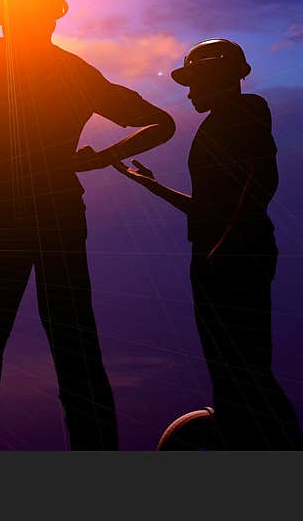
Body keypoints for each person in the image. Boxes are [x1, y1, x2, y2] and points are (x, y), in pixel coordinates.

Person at [0, 0, 175, 450]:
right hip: (60, 213)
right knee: (74, 343)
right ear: (53, 14)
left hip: (5, 217)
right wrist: (100, 158)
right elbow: (161, 122)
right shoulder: (76, 72)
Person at [114, 38, 302, 449]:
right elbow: (208, 210)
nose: (189, 90)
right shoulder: (221, 121)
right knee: (229, 366)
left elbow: (260, 184)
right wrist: (154, 186)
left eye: (195, 80)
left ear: (219, 74)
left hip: (234, 258)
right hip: (218, 254)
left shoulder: (246, 111)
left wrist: (226, 245)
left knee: (245, 367)